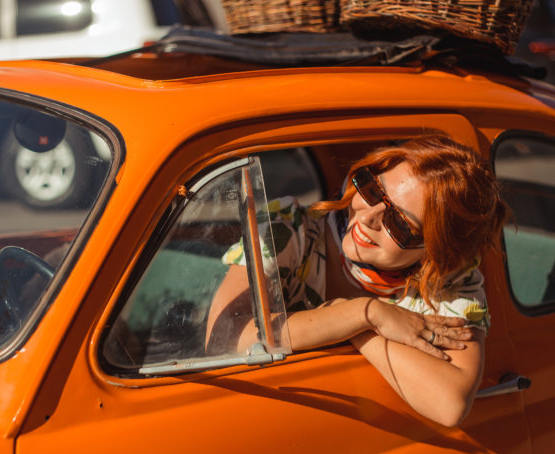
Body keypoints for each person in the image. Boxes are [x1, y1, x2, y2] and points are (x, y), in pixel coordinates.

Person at [206, 135, 510, 427]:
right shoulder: (287, 229)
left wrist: (360, 328)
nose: (367, 217)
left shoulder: (447, 283)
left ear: (436, 252)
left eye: (400, 224)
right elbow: (225, 337)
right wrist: (365, 313)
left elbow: (449, 403)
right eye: (372, 189)